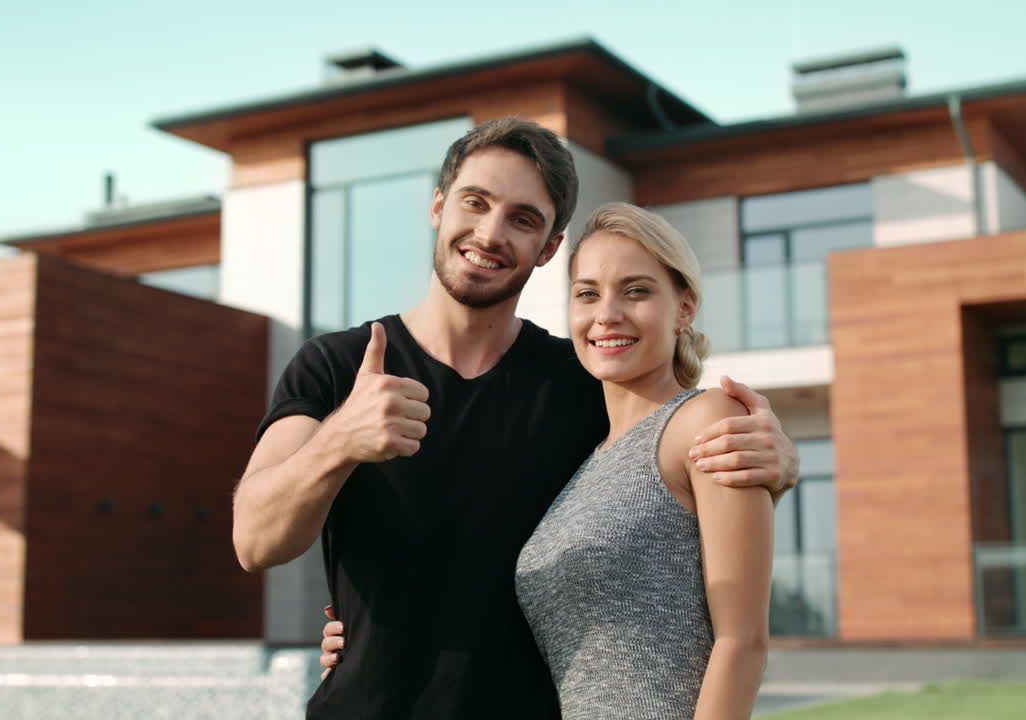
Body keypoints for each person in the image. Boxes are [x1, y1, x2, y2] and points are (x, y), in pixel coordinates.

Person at [233, 118, 797, 720]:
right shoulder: (335, 366)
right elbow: (255, 542)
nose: (490, 233)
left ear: (549, 247)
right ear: (438, 206)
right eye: (475, 203)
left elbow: (674, 477)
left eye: (523, 219)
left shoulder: (585, 385)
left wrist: (777, 462)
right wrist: (339, 441)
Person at [515, 202, 773, 720]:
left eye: (635, 291)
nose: (607, 314)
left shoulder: (706, 421)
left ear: (684, 307)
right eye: (588, 293)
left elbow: (743, 642)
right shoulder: (586, 462)